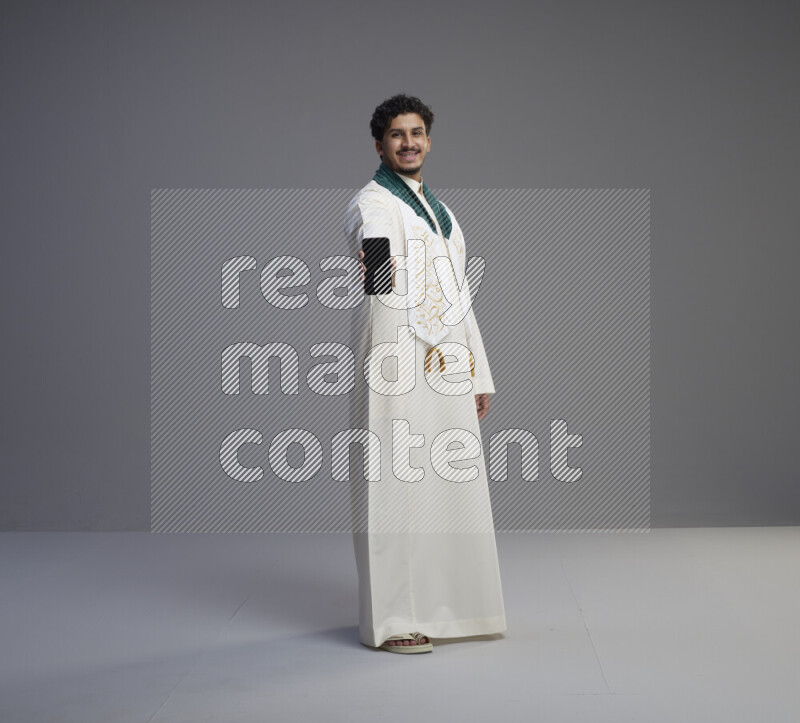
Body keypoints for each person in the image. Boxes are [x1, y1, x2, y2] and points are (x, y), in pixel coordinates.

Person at [343, 93, 507, 654]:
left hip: (445, 361)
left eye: (417, 133)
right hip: (394, 353)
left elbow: (459, 293)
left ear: (429, 140)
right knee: (392, 483)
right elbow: (380, 274)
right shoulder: (373, 201)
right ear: (379, 144)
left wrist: (477, 370)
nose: (408, 142)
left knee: (446, 484)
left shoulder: (440, 211)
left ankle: (447, 608)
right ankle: (390, 622)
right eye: (396, 134)